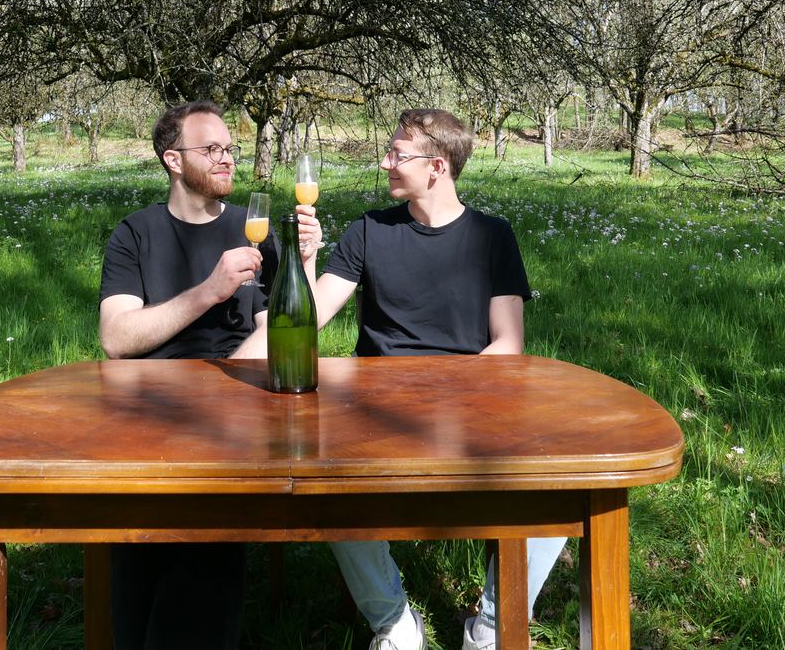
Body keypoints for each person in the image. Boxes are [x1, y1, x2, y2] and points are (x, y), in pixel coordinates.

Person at [237, 108, 564, 650]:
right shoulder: (370, 229)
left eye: (397, 154)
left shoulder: (492, 237)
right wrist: (306, 260)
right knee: (330, 491)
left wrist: (442, 396)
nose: (385, 162)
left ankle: (490, 626)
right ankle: (394, 623)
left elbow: (508, 343)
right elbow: (311, 317)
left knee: (559, 495)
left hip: (470, 407)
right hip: (373, 413)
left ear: (437, 166)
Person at [99, 99, 321, 649]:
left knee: (209, 522)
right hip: (151, 403)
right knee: (143, 529)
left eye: (229, 148)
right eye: (212, 149)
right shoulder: (136, 235)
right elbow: (116, 340)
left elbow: (286, 327)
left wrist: (304, 263)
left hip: (240, 398)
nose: (226, 159)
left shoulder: (257, 230)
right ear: (173, 160)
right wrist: (211, 291)